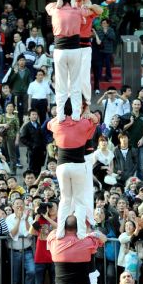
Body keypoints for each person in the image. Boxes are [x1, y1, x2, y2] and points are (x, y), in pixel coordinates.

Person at [48, 100, 97, 239]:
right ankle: (81, 233)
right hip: (78, 165)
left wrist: (59, 115)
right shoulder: (83, 123)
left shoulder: (57, 123)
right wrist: (87, 112)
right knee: (79, 200)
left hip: (62, 166)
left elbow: (48, 124)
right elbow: (96, 120)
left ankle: (60, 231)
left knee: (65, 199)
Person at [47, 215, 106, 284]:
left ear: (63, 226)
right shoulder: (88, 241)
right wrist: (92, 233)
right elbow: (103, 239)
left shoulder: (54, 239)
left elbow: (53, 233)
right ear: (79, 227)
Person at [46, 0, 87, 122]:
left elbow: (48, 7)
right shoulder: (78, 10)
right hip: (75, 49)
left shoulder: (54, 9)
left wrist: (57, 3)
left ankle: (60, 115)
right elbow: (86, 15)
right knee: (75, 83)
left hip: (60, 50)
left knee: (61, 85)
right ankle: (76, 114)